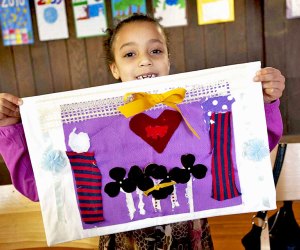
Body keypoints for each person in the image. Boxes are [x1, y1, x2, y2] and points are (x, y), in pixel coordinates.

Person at [0, 14, 285, 249]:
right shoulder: (93, 124)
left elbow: (251, 150)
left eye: (155, 50)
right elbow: (40, 187)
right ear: (114, 68)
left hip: (192, 240)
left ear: (168, 60)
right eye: (130, 54)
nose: (145, 60)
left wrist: (265, 102)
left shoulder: (199, 110)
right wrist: (8, 128)